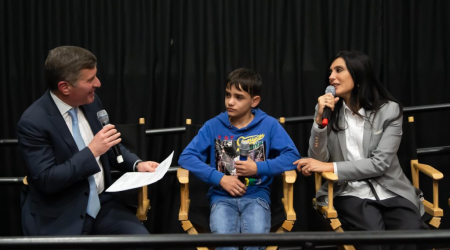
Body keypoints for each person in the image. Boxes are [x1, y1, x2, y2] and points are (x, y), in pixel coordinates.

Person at [17, 46, 159, 236]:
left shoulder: (92, 103)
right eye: (91, 79)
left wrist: (136, 164)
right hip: (60, 214)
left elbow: (109, 145)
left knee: (144, 242)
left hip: (102, 205)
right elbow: (47, 180)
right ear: (64, 87)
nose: (98, 84)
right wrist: (92, 152)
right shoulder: (33, 122)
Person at [294, 51, 426, 250]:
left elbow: (380, 164)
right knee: (372, 241)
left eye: (339, 70)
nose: (331, 77)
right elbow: (316, 158)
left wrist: (327, 166)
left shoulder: (389, 111)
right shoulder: (328, 111)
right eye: (330, 71)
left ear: (359, 75)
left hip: (392, 190)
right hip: (350, 192)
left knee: (409, 236)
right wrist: (319, 122)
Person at [179, 68, 300, 250]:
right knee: (224, 245)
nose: (230, 102)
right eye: (228, 95)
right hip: (221, 198)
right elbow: (186, 157)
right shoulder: (213, 125)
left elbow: (292, 157)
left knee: (255, 243)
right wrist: (220, 178)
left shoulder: (269, 125)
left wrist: (258, 168)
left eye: (239, 97)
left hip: (257, 197)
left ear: (254, 101)